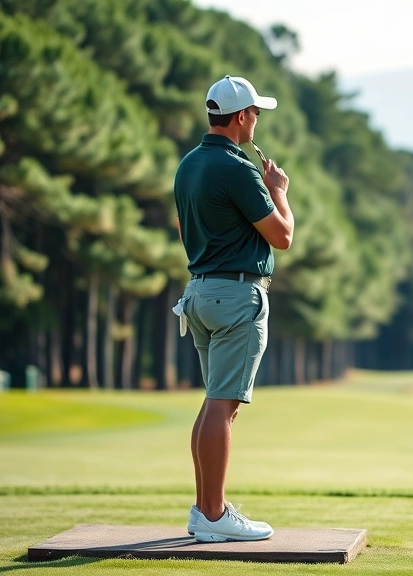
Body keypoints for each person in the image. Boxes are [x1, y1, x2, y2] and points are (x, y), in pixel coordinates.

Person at [172, 75, 294, 542]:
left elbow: (186, 231)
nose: (257, 119)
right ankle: (214, 514)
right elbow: (282, 236)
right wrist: (278, 189)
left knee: (214, 405)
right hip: (236, 296)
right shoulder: (238, 168)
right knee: (222, 407)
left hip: (200, 293)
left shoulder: (188, 164)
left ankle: (207, 511)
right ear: (242, 117)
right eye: (256, 112)